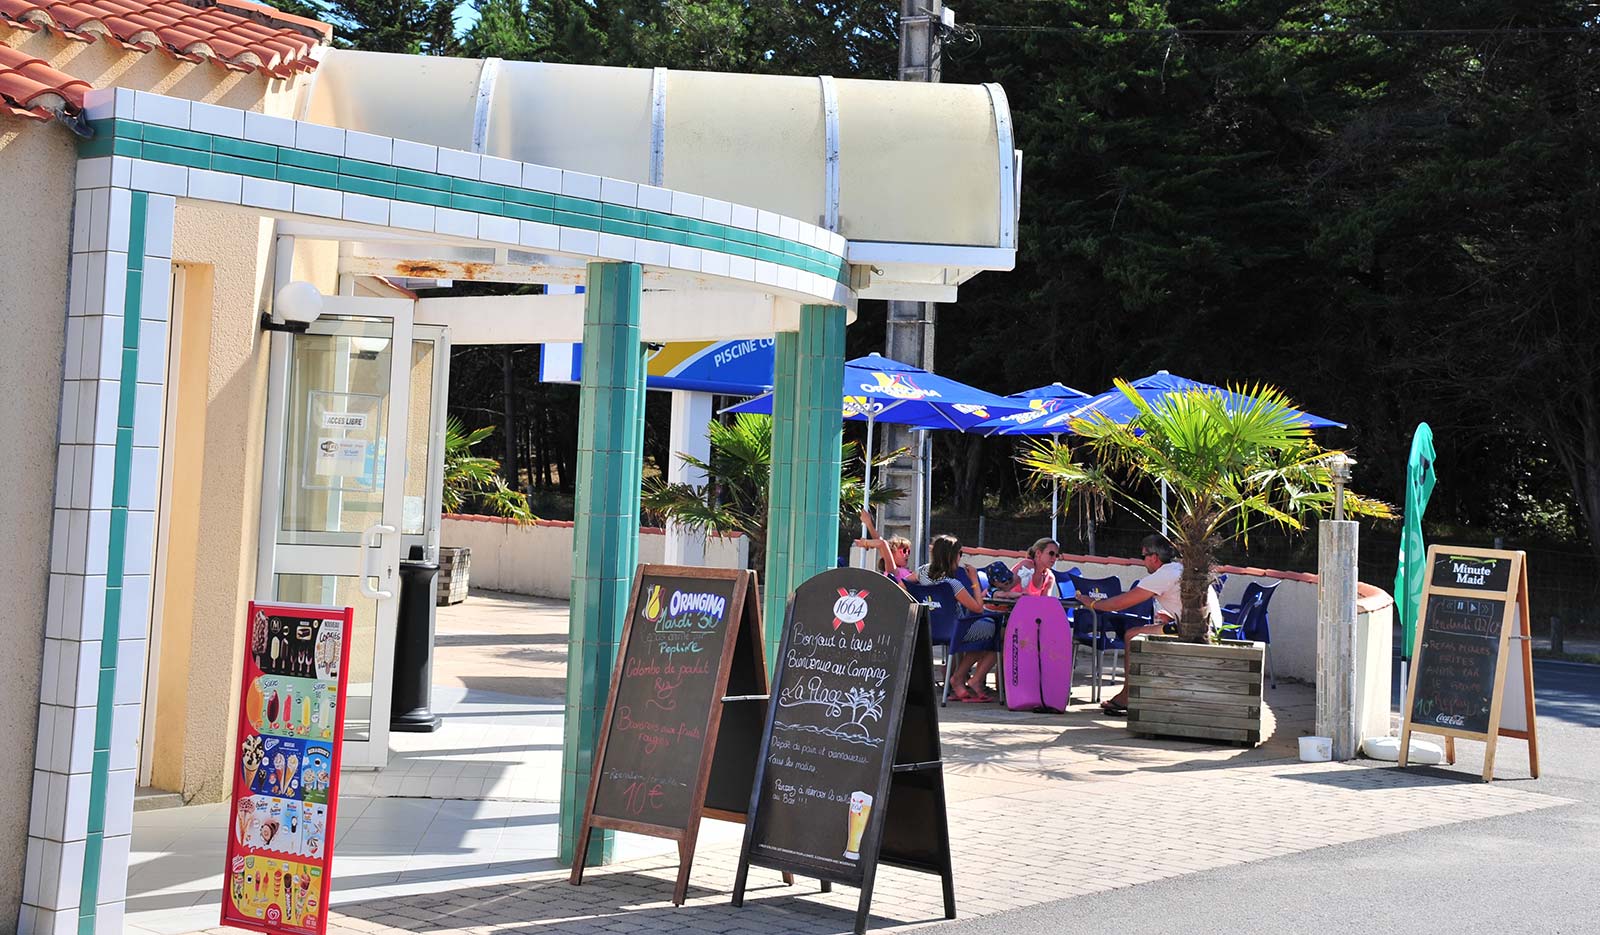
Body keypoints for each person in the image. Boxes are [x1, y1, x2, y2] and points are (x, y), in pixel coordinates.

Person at [1078, 535, 1222, 715]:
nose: (1143, 561)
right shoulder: (1180, 569)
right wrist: (1171, 617)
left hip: (1193, 631)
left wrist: (1090, 602)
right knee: (1141, 632)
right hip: (1211, 629)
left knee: (1132, 635)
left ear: (1154, 557)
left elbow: (1120, 603)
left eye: (1143, 556)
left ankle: (1127, 696)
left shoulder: (1164, 574)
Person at [916, 534, 1000, 702]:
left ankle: (957, 678)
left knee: (981, 632)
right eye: (960, 553)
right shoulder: (953, 585)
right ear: (952, 556)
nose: (961, 557)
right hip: (957, 630)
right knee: (995, 631)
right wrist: (974, 580)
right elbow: (977, 608)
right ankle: (961, 677)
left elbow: (904, 584)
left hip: (930, 629)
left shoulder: (922, 572)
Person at [858, 510, 914, 583]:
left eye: (908, 551)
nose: (907, 554)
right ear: (892, 552)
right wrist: (865, 543)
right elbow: (883, 544)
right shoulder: (893, 570)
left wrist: (869, 523)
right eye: (904, 551)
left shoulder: (900, 570)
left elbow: (880, 542)